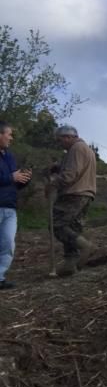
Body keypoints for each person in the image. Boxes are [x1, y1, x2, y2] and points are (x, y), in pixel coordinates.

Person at [49, 125, 97, 276]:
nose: (59, 143)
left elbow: (70, 175)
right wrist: (59, 167)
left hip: (74, 193)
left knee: (57, 225)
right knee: (73, 228)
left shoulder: (76, 149)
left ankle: (85, 246)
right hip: (86, 193)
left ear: (68, 137)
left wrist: (52, 183)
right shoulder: (86, 149)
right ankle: (71, 263)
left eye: (60, 140)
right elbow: (75, 168)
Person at [0, 120, 32, 289]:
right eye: (9, 134)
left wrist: (24, 179)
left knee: (8, 243)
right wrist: (11, 178)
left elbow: (14, 182)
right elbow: (8, 179)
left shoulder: (9, 156)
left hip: (10, 207)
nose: (11, 138)